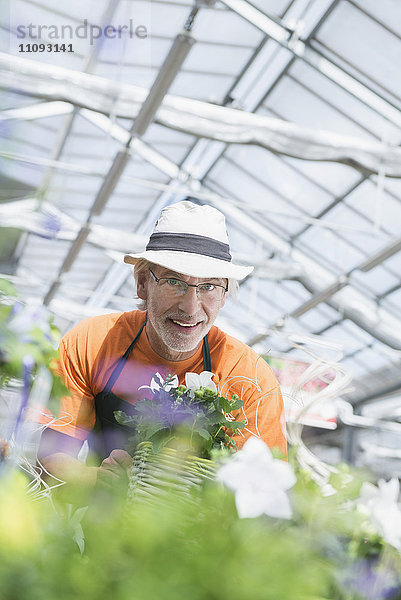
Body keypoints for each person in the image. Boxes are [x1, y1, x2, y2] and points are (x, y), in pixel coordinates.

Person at [38, 200, 286, 493]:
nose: (191, 307)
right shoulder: (93, 341)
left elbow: (266, 490)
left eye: (208, 286)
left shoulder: (249, 377)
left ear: (224, 293)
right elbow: (52, 455)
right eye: (173, 281)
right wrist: (98, 480)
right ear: (143, 283)